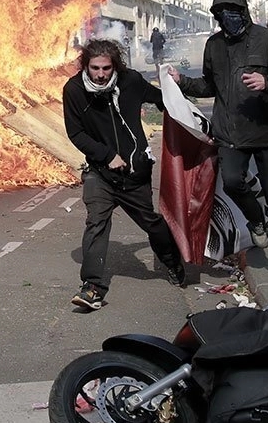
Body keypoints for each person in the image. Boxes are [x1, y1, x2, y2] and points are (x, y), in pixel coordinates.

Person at [172, 0, 268, 285]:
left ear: (243, 11)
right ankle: (257, 221)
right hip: (229, 131)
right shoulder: (214, 45)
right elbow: (208, 86)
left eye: (232, 11)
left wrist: (267, 81)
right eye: (220, 13)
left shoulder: (267, 39)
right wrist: (181, 82)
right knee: (232, 182)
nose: (226, 17)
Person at [62, 38, 185, 310]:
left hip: (135, 172)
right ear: (86, 66)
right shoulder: (74, 90)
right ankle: (92, 287)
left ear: (114, 66)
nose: (101, 74)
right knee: (96, 222)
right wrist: (106, 156)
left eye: (106, 68)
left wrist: (176, 86)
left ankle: (173, 263)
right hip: (100, 173)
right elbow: (75, 133)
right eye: (95, 68)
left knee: (152, 223)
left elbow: (162, 99)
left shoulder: (130, 81)